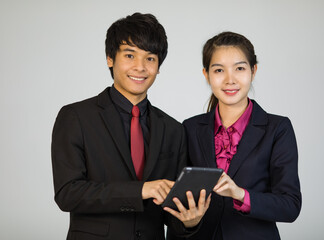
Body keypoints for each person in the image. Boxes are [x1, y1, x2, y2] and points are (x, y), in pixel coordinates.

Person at [51, 13, 209, 240]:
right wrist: (140, 190)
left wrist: (190, 221)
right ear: (110, 58)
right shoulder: (75, 117)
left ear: (158, 66)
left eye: (150, 58)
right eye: (129, 55)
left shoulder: (173, 130)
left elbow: (171, 210)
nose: (140, 67)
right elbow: (68, 193)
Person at [167, 32, 301, 239]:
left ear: (253, 71)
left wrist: (240, 194)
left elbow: (290, 205)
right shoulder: (190, 128)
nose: (230, 80)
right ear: (206, 74)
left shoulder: (277, 128)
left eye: (239, 68)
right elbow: (177, 199)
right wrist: (188, 221)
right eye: (219, 70)